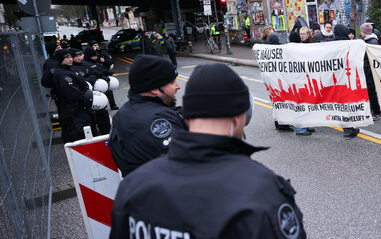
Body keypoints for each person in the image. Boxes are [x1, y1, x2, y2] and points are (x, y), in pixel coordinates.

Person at [110, 63, 305, 238]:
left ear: (187, 119)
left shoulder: (133, 187)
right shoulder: (262, 191)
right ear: (239, 119)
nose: (177, 85)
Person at [109, 55, 186, 176]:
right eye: (172, 82)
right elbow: (187, 166)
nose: (178, 86)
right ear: (155, 89)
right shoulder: (156, 122)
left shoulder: (125, 113)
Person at [51, 49, 93, 143]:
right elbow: (73, 93)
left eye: (70, 57)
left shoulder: (68, 70)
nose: (70, 59)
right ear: (60, 60)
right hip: (73, 111)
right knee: (79, 135)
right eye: (66, 58)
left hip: (76, 109)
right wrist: (87, 97)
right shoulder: (62, 74)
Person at [333, 23, 361, 139]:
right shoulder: (349, 44)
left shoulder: (332, 44)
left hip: (336, 80)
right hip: (348, 78)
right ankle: (350, 129)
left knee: (341, 104)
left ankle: (347, 128)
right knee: (350, 103)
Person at [81, 47, 112, 135]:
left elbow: (101, 69)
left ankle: (106, 135)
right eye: (93, 56)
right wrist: (97, 76)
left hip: (99, 93)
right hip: (91, 96)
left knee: (103, 116)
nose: (95, 57)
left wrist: (106, 75)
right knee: (94, 118)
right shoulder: (84, 65)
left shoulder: (94, 62)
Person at [360, 22, 381, 121]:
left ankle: (376, 112)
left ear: (364, 31)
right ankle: (374, 110)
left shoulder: (370, 42)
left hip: (369, 71)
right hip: (369, 70)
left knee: (371, 92)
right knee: (370, 92)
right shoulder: (371, 41)